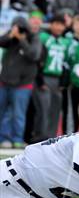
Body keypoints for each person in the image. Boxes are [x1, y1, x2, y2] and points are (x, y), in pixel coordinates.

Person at [0, 17, 41, 148]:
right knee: (4, 113)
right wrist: (12, 35)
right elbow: (1, 42)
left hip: (23, 84)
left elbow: (34, 54)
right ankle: (4, 139)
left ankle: (17, 139)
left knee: (18, 114)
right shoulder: (11, 36)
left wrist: (22, 39)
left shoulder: (33, 38)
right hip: (5, 82)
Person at [32, 14, 70, 142]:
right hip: (44, 77)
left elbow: (66, 64)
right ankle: (39, 137)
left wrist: (63, 82)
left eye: (62, 25)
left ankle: (51, 139)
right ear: (51, 24)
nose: (59, 27)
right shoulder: (44, 37)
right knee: (43, 109)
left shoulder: (65, 41)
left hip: (57, 79)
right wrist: (40, 79)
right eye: (57, 24)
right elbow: (37, 60)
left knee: (55, 110)